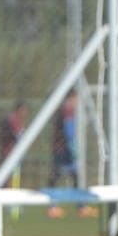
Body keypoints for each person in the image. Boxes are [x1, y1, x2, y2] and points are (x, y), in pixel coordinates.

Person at [47, 90, 95, 218]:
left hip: (61, 148)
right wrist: (72, 146)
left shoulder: (63, 109)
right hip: (63, 149)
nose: (78, 102)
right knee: (58, 176)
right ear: (72, 97)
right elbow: (68, 129)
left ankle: (79, 205)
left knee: (70, 176)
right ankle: (54, 206)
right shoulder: (67, 109)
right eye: (77, 99)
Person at [0, 101, 29, 187]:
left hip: (14, 153)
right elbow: (19, 135)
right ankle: (10, 192)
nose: (25, 113)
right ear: (19, 110)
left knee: (14, 177)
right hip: (10, 153)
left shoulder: (16, 120)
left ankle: (13, 190)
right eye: (24, 110)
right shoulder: (13, 119)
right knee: (9, 177)